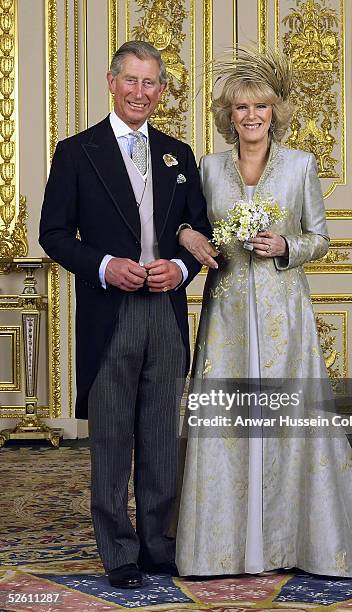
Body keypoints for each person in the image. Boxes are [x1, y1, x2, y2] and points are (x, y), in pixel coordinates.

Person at [175, 47, 352, 577]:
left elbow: (320, 239)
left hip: (284, 317)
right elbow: (186, 225)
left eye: (260, 107)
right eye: (240, 109)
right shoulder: (208, 169)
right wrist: (193, 236)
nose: (251, 117)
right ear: (227, 116)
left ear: (275, 112)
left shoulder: (301, 165)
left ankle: (290, 543)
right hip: (228, 315)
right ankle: (219, 549)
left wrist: (285, 246)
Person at [39, 41, 211, 589]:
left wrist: (181, 271)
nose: (140, 92)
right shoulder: (76, 152)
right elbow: (54, 235)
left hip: (164, 311)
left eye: (150, 83)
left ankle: (158, 543)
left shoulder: (177, 153)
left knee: (161, 432)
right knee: (112, 435)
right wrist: (106, 264)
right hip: (110, 312)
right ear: (111, 83)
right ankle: (119, 550)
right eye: (131, 81)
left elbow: (196, 230)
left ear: (161, 91)